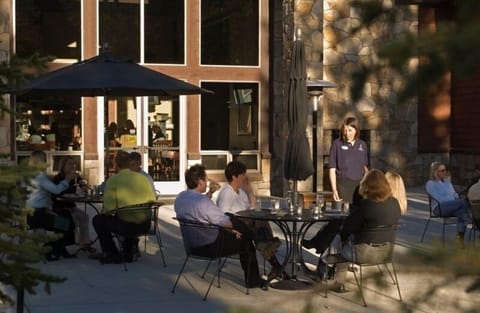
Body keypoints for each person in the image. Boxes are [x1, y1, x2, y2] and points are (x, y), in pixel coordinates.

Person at [174, 164, 274, 290]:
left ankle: (260, 242)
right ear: (200, 182)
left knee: (236, 224)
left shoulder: (180, 198)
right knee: (243, 238)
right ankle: (253, 278)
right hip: (211, 246)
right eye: (206, 180)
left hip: (192, 245)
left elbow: (198, 209)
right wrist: (234, 229)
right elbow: (224, 221)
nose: (207, 182)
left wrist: (210, 193)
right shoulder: (203, 202)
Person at [216, 161, 284, 280]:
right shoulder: (227, 192)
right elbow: (223, 216)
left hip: (247, 227)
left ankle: (270, 252)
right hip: (233, 230)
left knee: (260, 220)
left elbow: (252, 209)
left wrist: (249, 191)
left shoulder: (241, 192)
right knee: (259, 223)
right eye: (243, 174)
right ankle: (272, 251)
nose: (245, 177)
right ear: (234, 177)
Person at [92, 150, 156, 264]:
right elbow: (152, 200)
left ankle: (111, 252)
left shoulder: (113, 181)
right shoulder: (144, 179)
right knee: (124, 219)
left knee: (98, 220)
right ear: (129, 163)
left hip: (126, 226)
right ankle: (129, 247)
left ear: (116, 165)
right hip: (145, 225)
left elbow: (108, 209)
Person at [26, 150, 77, 261]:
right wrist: (68, 179)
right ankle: (49, 249)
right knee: (68, 225)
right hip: (37, 216)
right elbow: (56, 190)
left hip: (32, 214)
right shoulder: (39, 176)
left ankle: (60, 249)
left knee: (65, 215)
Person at [51, 157, 95, 253]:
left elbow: (82, 186)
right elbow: (54, 196)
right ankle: (66, 244)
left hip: (71, 206)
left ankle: (85, 243)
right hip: (60, 208)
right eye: (70, 164)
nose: (73, 166)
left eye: (74, 164)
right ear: (63, 166)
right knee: (73, 220)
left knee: (84, 217)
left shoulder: (75, 177)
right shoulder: (57, 178)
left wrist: (84, 187)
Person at [426, 161, 471, 246]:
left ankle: (459, 239)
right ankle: (475, 220)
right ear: (435, 172)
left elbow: (454, 194)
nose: (444, 172)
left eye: (445, 170)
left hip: (452, 206)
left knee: (462, 212)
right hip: (439, 208)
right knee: (464, 203)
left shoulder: (447, 182)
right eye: (442, 170)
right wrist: (455, 200)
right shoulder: (430, 184)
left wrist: (456, 199)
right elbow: (440, 199)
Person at [328, 117, 368, 207]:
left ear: (356, 130)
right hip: (342, 185)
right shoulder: (337, 144)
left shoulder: (362, 145)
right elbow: (332, 169)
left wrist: (366, 186)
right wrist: (334, 190)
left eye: (350, 130)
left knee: (358, 216)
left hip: (359, 186)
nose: (347, 133)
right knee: (342, 216)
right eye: (345, 130)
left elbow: (365, 168)